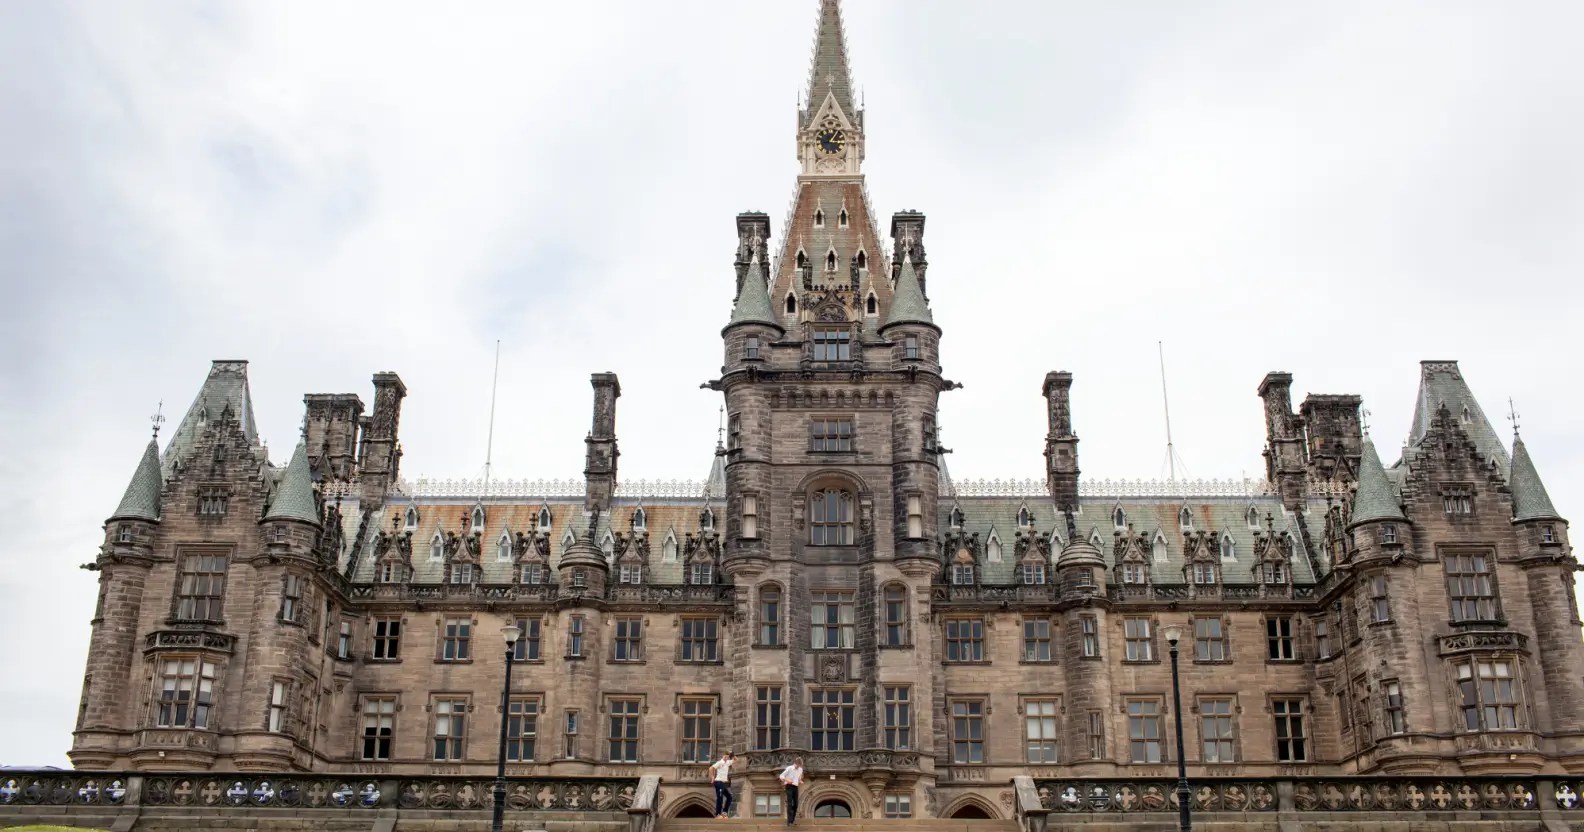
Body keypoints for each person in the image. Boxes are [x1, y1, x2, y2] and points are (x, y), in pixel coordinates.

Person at [778, 757, 804, 825]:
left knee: (796, 804)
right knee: (790, 803)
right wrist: (787, 780)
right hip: (789, 786)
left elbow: (799, 777)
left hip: (795, 787)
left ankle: (792, 819)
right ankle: (789, 821)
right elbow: (781, 776)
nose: (798, 767)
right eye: (798, 765)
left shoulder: (800, 769)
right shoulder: (789, 768)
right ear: (795, 763)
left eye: (800, 765)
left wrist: (800, 780)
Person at [709, 751, 735, 818]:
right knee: (720, 798)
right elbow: (711, 768)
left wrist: (732, 754)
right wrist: (712, 778)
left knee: (729, 797)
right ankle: (718, 814)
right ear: (723, 756)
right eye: (725, 756)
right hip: (718, 782)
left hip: (723, 783)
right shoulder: (720, 763)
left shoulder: (728, 762)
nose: (726, 758)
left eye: (727, 757)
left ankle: (724, 812)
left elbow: (735, 759)